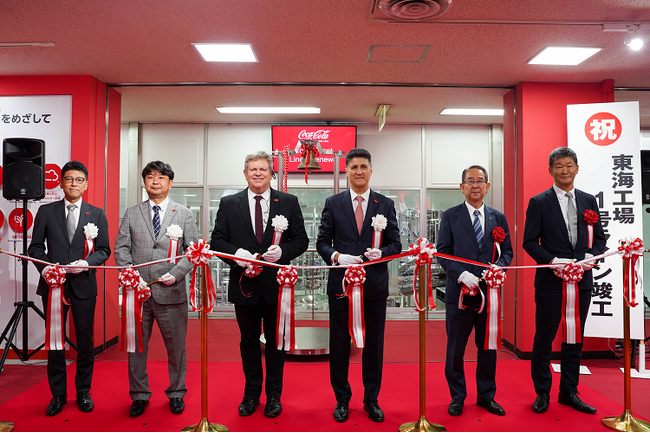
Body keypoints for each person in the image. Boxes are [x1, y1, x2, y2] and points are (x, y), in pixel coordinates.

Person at [211, 151, 308, 418]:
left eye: (263, 169)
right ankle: (251, 394)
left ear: (271, 173)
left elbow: (301, 240)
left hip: (276, 286)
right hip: (244, 285)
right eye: (252, 169)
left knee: (277, 342)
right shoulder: (230, 203)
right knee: (249, 341)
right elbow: (217, 241)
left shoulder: (288, 201)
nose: (257, 173)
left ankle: (274, 396)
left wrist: (284, 252)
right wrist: (236, 255)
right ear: (245, 173)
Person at [316, 148, 401, 423]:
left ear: (371, 170)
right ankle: (342, 398)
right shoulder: (333, 203)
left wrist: (383, 253)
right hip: (341, 286)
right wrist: (337, 257)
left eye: (364, 166)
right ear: (346, 172)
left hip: (374, 286)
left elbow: (396, 244)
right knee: (339, 343)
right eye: (353, 167)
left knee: (374, 345)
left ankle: (371, 399)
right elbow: (322, 242)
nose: (359, 171)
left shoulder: (385, 204)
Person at [523, 147, 606, 415]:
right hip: (550, 281)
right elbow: (529, 242)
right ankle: (542, 392)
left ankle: (569, 391)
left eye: (569, 165)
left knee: (574, 337)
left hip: (581, 281)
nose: (564, 170)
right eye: (559, 166)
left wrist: (591, 258)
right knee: (544, 337)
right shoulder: (539, 202)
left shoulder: (588, 200)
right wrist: (554, 262)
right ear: (550, 170)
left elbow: (600, 239)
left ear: (577, 169)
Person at [114, 161, 199, 417]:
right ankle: (139, 395)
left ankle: (176, 393)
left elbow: (192, 251)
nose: (155, 181)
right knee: (137, 348)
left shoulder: (183, 213)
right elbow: (121, 249)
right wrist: (130, 276)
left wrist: (176, 274)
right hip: (138, 294)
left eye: (161, 177)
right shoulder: (131, 212)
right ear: (144, 182)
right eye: (150, 176)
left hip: (172, 295)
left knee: (177, 348)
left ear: (170, 183)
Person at [28, 160, 111, 416]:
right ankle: (58, 395)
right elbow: (35, 248)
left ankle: (83, 391)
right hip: (53, 286)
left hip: (84, 285)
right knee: (55, 343)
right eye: (69, 179)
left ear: (86, 184)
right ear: (62, 182)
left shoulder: (96, 214)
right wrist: (46, 270)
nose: (74, 183)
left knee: (85, 340)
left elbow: (104, 250)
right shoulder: (46, 211)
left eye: (79, 179)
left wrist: (87, 263)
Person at [436, 165, 513, 417]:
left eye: (480, 181)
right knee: (455, 348)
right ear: (462, 187)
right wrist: (460, 274)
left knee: (488, 347)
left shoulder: (498, 218)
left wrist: (498, 268)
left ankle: (486, 395)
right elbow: (442, 252)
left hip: (489, 294)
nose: (475, 185)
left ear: (488, 186)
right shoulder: (450, 216)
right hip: (459, 294)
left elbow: (508, 252)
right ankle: (457, 396)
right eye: (470, 181)